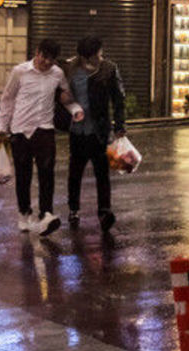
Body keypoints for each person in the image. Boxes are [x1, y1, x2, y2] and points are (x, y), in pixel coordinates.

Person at [0, 39, 83, 237]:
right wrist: (1, 126)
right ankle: (24, 214)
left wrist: (75, 110)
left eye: (51, 60)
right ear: (37, 53)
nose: (46, 63)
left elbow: (65, 97)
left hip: (44, 129)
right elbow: (7, 99)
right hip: (20, 130)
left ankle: (46, 214)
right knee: (23, 175)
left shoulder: (58, 74)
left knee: (47, 173)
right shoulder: (20, 72)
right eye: (44, 57)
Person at [62, 36, 126, 232]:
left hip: (99, 130)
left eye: (100, 54)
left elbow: (119, 98)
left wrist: (119, 126)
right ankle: (73, 209)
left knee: (102, 173)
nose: (100, 58)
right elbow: (61, 95)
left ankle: (104, 211)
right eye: (96, 56)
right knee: (75, 172)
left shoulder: (108, 69)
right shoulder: (69, 68)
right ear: (84, 57)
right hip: (77, 130)